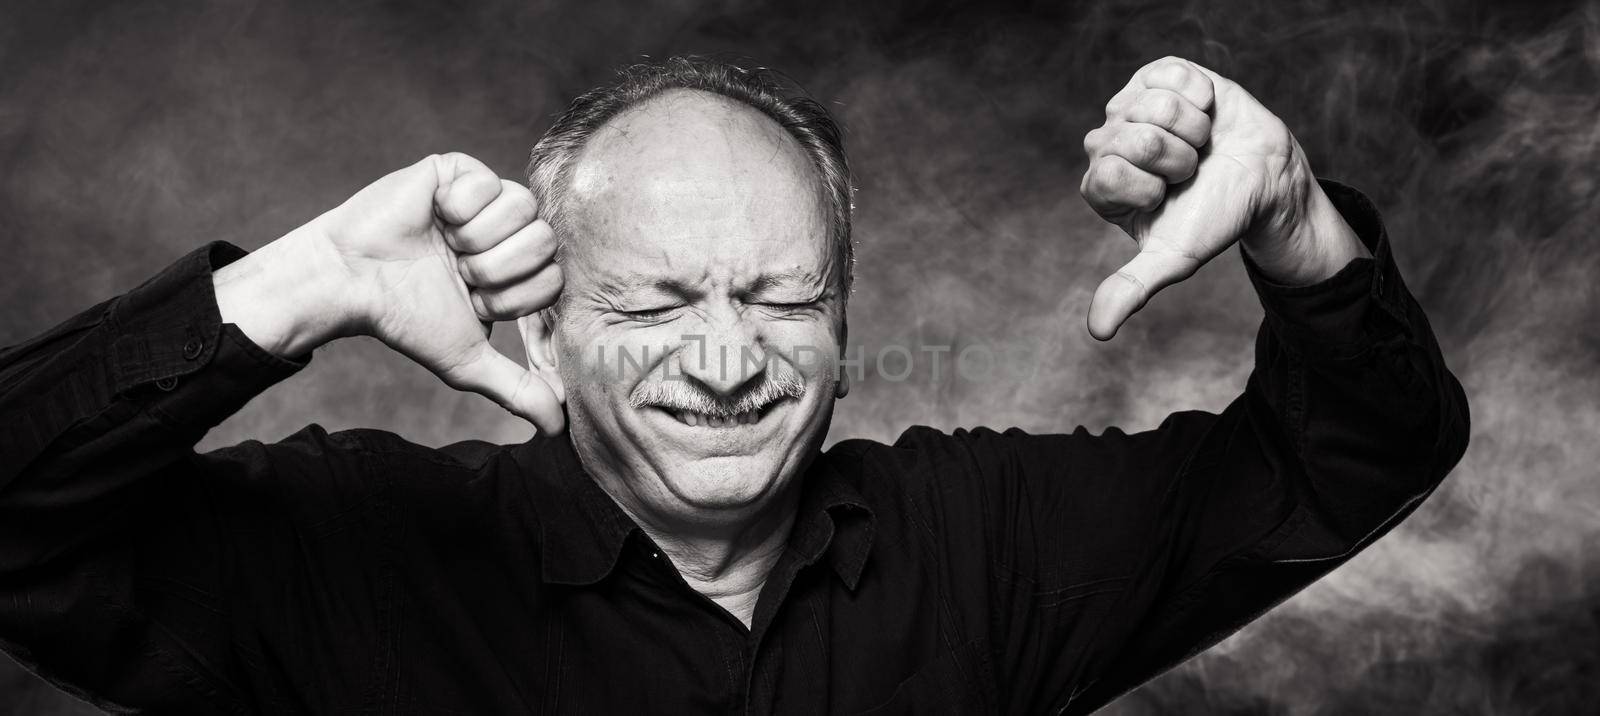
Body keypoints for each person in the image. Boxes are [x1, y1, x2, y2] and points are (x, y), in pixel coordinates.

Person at [0, 55, 1467, 714]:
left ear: (842, 319)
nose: (725, 359)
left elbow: (1360, 451)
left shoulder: (991, 544)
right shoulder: (354, 551)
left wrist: (1293, 225)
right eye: (651, 299)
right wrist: (285, 290)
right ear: (545, 317)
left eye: (782, 299)